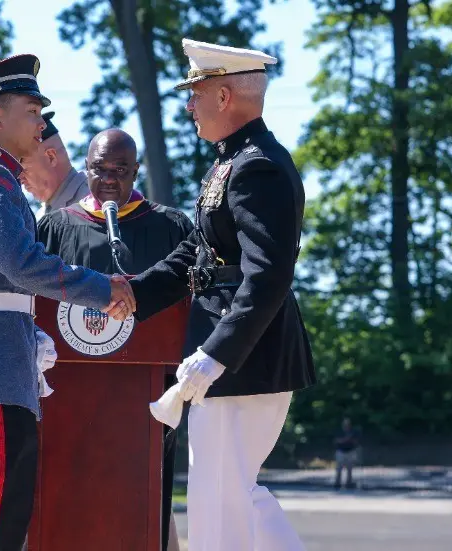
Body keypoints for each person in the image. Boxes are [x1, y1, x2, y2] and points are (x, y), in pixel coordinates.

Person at [0, 54, 135, 551]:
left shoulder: (1, 180)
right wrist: (104, 288)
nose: (42, 122)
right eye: (31, 110)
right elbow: (22, 263)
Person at [116, 38, 317, 551]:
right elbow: (195, 253)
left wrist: (215, 355)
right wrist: (132, 295)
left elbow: (268, 276)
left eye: (195, 92)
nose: (188, 105)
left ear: (224, 96)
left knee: (224, 506)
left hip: (242, 359)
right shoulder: (233, 162)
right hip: (231, 357)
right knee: (224, 501)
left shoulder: (257, 167)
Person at [37, 128, 193, 551]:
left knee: (144, 504)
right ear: (85, 170)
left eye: (120, 170)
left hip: (146, 399)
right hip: (67, 399)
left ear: (136, 171)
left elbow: (186, 306)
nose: (109, 179)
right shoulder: (53, 228)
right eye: (99, 169)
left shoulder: (172, 227)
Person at [18, 111, 89, 219]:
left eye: (23, 168)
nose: (19, 178)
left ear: (51, 157)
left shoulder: (94, 202)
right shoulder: (41, 215)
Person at [334, 417, 360, 489]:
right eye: (345, 424)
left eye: (348, 424)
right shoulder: (339, 431)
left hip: (350, 451)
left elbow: (356, 442)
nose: (346, 425)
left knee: (350, 469)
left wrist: (349, 440)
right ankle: (337, 483)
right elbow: (338, 440)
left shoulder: (353, 431)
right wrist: (347, 439)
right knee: (339, 468)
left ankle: (348, 483)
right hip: (341, 451)